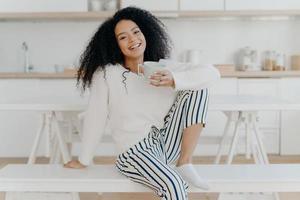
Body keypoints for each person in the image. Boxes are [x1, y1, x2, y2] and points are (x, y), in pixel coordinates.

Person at [64, 6, 220, 200]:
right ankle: (177, 173)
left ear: (146, 33)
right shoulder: (107, 74)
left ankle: (185, 162)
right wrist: (84, 160)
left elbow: (212, 73)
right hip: (134, 152)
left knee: (198, 84)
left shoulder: (164, 67)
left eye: (136, 32)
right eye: (123, 37)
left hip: (166, 145)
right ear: (115, 45)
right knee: (174, 184)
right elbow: (96, 116)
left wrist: (174, 79)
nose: (133, 39)